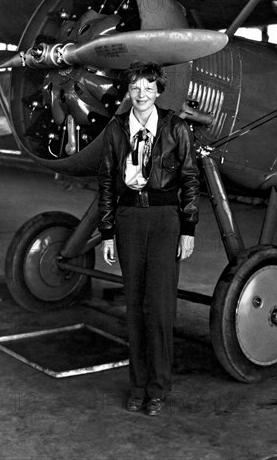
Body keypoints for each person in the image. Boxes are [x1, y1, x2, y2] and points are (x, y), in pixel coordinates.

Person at [98, 61, 200, 416]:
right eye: (135, 88)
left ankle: (158, 388)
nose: (141, 94)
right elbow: (107, 184)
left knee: (158, 307)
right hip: (128, 219)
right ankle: (137, 387)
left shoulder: (176, 128)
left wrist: (187, 228)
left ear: (158, 91)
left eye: (148, 88)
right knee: (134, 307)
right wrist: (107, 232)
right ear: (128, 92)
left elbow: (189, 179)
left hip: (164, 220)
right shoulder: (116, 129)